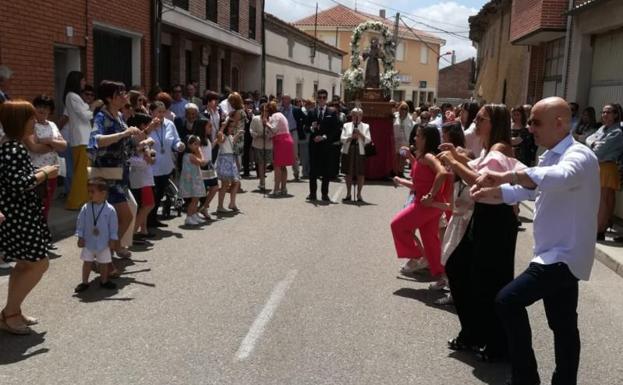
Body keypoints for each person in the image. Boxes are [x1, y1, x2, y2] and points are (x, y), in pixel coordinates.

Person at [471, 96, 600, 385]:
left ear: (560, 123)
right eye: (529, 122)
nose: (530, 128)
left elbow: (560, 177)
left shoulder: (579, 156)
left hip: (562, 257)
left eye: (535, 122)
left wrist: (507, 175)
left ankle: (525, 378)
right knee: (564, 326)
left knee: (507, 301)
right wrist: (495, 193)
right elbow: (533, 192)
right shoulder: (549, 155)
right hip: (555, 254)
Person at [437, 104, 521, 361]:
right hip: (486, 216)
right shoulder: (492, 150)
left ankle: (495, 344)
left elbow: (478, 180)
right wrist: (460, 157)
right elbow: (478, 167)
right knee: (462, 270)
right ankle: (474, 333)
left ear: (493, 123)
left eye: (480, 119)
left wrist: (452, 161)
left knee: (488, 282)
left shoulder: (498, 151)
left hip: (495, 220)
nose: (475, 123)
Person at [0, 100, 60, 334]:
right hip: (21, 216)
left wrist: (37, 173)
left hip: (19, 214)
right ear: (20, 121)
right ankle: (11, 313)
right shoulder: (13, 148)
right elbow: (17, 184)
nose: (35, 121)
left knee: (25, 264)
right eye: (31, 117)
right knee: (38, 264)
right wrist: (45, 173)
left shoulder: (10, 145)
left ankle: (11, 311)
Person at [89, 80, 146, 260]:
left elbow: (126, 146)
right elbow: (96, 140)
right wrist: (123, 134)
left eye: (124, 93)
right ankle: (106, 253)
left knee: (129, 210)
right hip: (107, 175)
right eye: (120, 94)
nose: (125, 97)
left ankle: (113, 248)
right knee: (126, 216)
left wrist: (143, 141)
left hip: (121, 174)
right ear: (109, 98)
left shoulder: (119, 116)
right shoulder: (101, 117)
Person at [391, 124, 449, 277]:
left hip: (425, 205)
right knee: (431, 242)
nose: (415, 138)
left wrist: (430, 195)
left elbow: (442, 173)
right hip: (428, 205)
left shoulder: (429, 157)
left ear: (426, 139)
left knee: (397, 225)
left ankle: (418, 256)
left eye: (419, 136)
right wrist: (401, 181)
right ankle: (440, 275)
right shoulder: (421, 157)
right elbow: (418, 185)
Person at [25, 95, 67, 220]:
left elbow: (64, 145)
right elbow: (34, 148)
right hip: (36, 170)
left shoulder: (52, 125)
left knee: (47, 203)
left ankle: (43, 231)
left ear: (50, 110)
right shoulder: (30, 124)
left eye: (45, 107)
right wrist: (54, 144)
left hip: (52, 170)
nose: (41, 109)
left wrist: (48, 140)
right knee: (36, 204)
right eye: (39, 106)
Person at [585, 103, 623, 240]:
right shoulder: (602, 128)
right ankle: (600, 226)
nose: (604, 115)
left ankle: (600, 230)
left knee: (604, 201)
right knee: (598, 201)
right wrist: (593, 142)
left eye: (609, 112)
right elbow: (588, 139)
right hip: (598, 167)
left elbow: (599, 151)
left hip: (607, 167)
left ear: (616, 115)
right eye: (603, 112)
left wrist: (593, 143)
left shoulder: (617, 132)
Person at [74, 178, 118, 292]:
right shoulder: (86, 207)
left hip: (103, 242)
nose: (89, 194)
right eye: (88, 191)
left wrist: (113, 239)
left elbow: (113, 226)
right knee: (87, 262)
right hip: (89, 241)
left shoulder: (110, 210)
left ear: (103, 193)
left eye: (92, 192)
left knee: (104, 262)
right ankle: (84, 282)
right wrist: (80, 236)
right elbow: (81, 222)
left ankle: (104, 281)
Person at [147, 101, 185, 228]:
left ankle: (153, 219)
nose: (161, 114)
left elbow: (176, 140)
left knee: (159, 195)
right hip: (151, 167)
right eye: (158, 112)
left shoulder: (170, 125)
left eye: (163, 112)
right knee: (151, 196)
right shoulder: (147, 125)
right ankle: (146, 220)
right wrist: (149, 129)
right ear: (151, 112)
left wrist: (179, 146)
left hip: (165, 166)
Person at [64, 71, 94, 210]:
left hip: (82, 138)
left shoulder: (74, 96)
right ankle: (75, 202)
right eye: (82, 80)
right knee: (81, 173)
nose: (84, 83)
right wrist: (93, 106)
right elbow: (85, 115)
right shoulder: (73, 96)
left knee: (83, 172)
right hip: (81, 139)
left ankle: (82, 199)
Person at [307, 89, 340, 201]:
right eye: (319, 97)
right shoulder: (311, 112)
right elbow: (305, 127)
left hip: (326, 145)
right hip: (314, 145)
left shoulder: (332, 112)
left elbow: (336, 130)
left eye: (324, 97)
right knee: (313, 170)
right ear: (317, 98)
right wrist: (311, 128)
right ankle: (312, 193)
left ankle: (324, 194)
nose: (321, 99)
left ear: (326, 99)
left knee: (326, 170)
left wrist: (324, 137)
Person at [127, 114, 156, 240]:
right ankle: (132, 233)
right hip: (140, 178)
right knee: (149, 205)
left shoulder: (146, 139)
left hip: (146, 177)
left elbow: (151, 155)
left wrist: (150, 157)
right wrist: (146, 160)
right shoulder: (133, 140)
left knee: (145, 205)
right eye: (147, 125)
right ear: (143, 126)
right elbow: (130, 159)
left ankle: (143, 230)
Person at [264, 101, 295, 196]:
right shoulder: (281, 115)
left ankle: (276, 189)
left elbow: (274, 129)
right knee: (283, 166)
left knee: (277, 166)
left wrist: (266, 123)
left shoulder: (275, 116)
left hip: (281, 141)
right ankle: (283, 188)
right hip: (287, 139)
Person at [340, 108, 371, 202]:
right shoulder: (346, 125)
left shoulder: (366, 126)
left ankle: (359, 194)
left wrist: (360, 134)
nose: (356, 117)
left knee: (360, 173)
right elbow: (342, 138)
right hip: (348, 150)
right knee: (348, 172)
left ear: (361, 116)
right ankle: (348, 193)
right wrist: (351, 137)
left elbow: (369, 140)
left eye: (358, 115)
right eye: (354, 115)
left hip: (360, 150)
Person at [193, 119, 219, 219]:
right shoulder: (197, 140)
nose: (211, 128)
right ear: (202, 127)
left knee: (215, 187)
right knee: (200, 191)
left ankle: (204, 207)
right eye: (209, 126)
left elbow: (209, 148)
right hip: (201, 166)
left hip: (209, 166)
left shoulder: (206, 139)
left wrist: (217, 140)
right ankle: (195, 212)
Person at [215, 119, 243, 212]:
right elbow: (219, 137)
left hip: (231, 160)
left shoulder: (229, 136)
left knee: (236, 182)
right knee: (225, 184)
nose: (232, 128)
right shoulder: (222, 136)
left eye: (233, 127)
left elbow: (232, 142)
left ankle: (232, 203)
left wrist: (238, 134)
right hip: (225, 160)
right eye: (230, 127)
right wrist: (223, 126)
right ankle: (220, 206)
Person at [179, 135, 206, 226]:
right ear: (188, 145)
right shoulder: (189, 156)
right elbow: (202, 162)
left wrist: (197, 150)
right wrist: (200, 151)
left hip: (195, 179)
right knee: (194, 200)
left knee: (196, 198)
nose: (197, 146)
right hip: (192, 181)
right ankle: (189, 217)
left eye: (198, 144)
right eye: (195, 144)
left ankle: (194, 215)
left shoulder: (191, 154)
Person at [281, 95, 306, 181]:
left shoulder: (296, 109)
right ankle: (282, 172)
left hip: (293, 132)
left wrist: (302, 126)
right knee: (282, 153)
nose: (283, 100)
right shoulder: (280, 110)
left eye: (284, 99)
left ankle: (296, 172)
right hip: (283, 133)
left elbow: (305, 118)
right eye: (282, 99)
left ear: (289, 100)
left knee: (294, 153)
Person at [250, 102, 272, 191]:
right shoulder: (255, 119)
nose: (265, 112)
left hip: (268, 145)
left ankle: (262, 178)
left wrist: (268, 135)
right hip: (258, 145)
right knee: (260, 163)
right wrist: (258, 135)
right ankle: (262, 181)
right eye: (264, 111)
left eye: (267, 111)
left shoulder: (271, 119)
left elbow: (273, 130)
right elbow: (251, 130)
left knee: (265, 163)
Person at [393, 102, 414, 176]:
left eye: (405, 109)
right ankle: (395, 171)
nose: (403, 110)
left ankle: (400, 172)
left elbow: (412, 130)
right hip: (396, 140)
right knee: (396, 156)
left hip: (405, 140)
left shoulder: (410, 118)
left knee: (403, 157)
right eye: (402, 108)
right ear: (399, 109)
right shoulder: (395, 116)